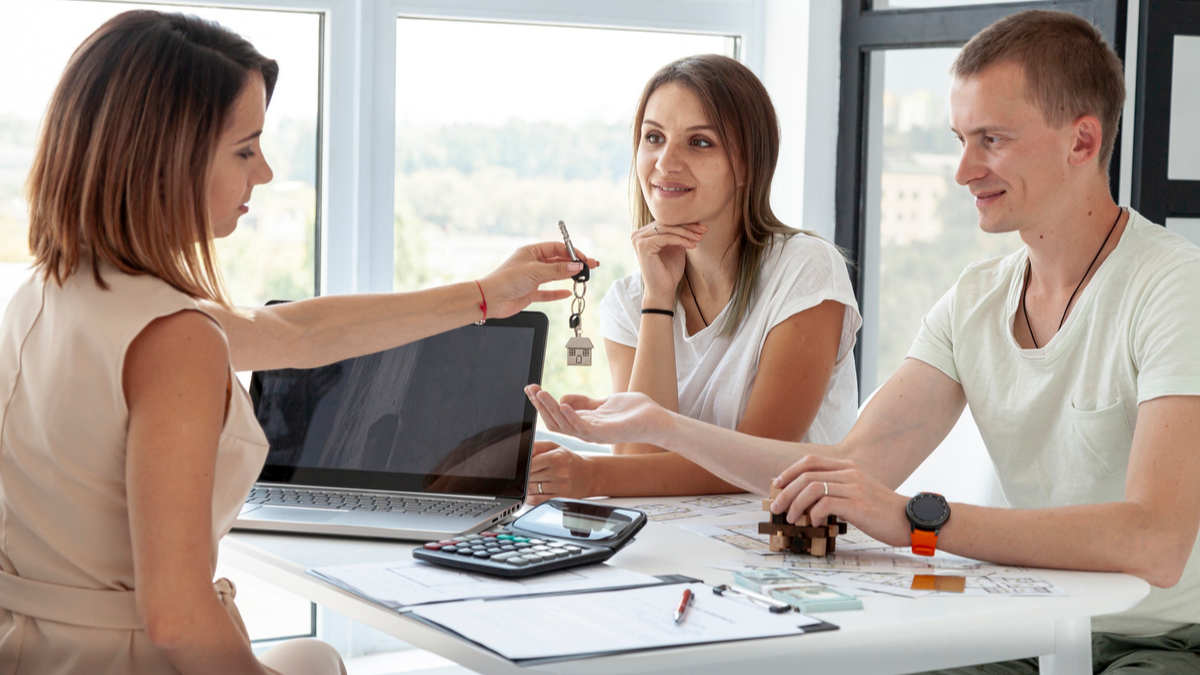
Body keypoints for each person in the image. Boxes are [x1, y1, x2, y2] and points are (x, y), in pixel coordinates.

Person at [527, 10, 1200, 673]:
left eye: (990, 140)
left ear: (1081, 143)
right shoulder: (974, 297)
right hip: (1030, 624)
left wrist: (914, 518)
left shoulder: (1174, 286)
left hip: (1161, 638)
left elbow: (1155, 542)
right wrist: (662, 425)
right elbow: (850, 465)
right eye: (960, 139)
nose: (963, 170)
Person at [0, 10, 595, 675]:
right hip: (124, 658)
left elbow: (296, 332)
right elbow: (176, 618)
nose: (267, 172)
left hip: (35, 647)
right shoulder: (175, 339)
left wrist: (486, 293)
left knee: (314, 653)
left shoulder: (50, 291)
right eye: (245, 149)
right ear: (166, 158)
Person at [526, 55, 860, 504]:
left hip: (784, 545)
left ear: (747, 164)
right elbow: (638, 457)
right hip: (675, 545)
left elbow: (761, 463)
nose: (665, 163)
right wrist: (659, 300)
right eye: (654, 138)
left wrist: (590, 477)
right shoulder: (630, 301)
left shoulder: (805, 271)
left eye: (699, 142)